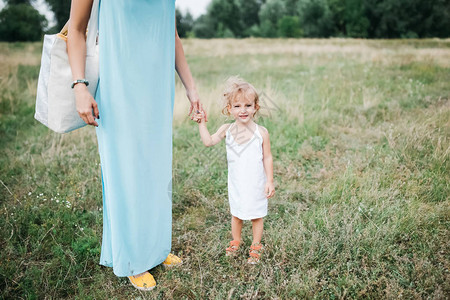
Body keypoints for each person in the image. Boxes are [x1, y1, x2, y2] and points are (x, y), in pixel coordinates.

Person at [67, 0, 206, 291]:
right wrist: (80, 86)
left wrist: (191, 88)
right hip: (118, 86)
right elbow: (77, 29)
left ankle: (156, 247)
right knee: (126, 170)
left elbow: (172, 34)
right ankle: (131, 258)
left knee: (156, 168)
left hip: (157, 86)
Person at [192, 77, 275, 264]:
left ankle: (256, 245)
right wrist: (201, 124)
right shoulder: (227, 129)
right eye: (237, 106)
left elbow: (267, 157)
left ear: (256, 107)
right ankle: (236, 241)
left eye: (247, 105)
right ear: (229, 109)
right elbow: (208, 141)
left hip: (256, 183)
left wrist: (269, 180)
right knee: (236, 214)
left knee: (256, 215)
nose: (243, 110)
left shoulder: (261, 132)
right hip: (237, 183)